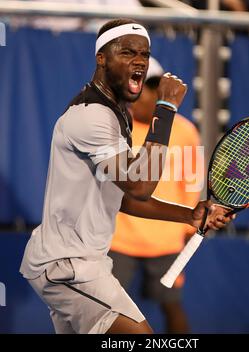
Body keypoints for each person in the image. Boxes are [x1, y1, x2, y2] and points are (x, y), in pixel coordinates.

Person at [20, 18, 234, 334]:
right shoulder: (93, 116)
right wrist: (165, 109)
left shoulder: (115, 115)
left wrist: (189, 214)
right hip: (67, 266)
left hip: (80, 263)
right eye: (127, 52)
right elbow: (140, 187)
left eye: (144, 55)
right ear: (101, 58)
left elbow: (123, 199)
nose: (139, 61)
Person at [109, 57, 201, 333]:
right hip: (118, 239)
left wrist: (187, 226)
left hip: (167, 240)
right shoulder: (114, 127)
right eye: (134, 87)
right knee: (106, 310)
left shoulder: (184, 130)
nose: (139, 95)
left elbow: (192, 183)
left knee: (171, 306)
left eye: (148, 87)